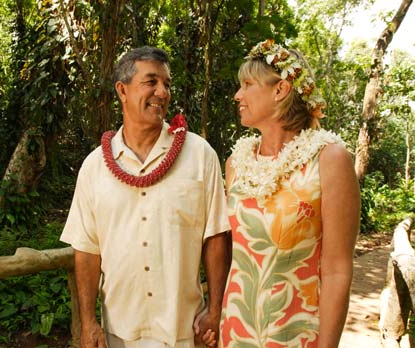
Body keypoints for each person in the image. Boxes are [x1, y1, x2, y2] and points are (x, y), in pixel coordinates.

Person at [60, 46, 231, 348]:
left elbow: (216, 236)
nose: (162, 92)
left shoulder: (199, 155)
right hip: (119, 332)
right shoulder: (94, 166)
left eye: (166, 83)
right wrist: (88, 322)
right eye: (151, 82)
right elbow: (87, 249)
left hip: (185, 331)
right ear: (122, 90)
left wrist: (215, 311)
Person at [211, 39, 360, 348]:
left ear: (280, 89)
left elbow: (336, 270)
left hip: (297, 334)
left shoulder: (329, 159)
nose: (238, 95)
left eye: (248, 84)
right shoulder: (236, 163)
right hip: (237, 332)